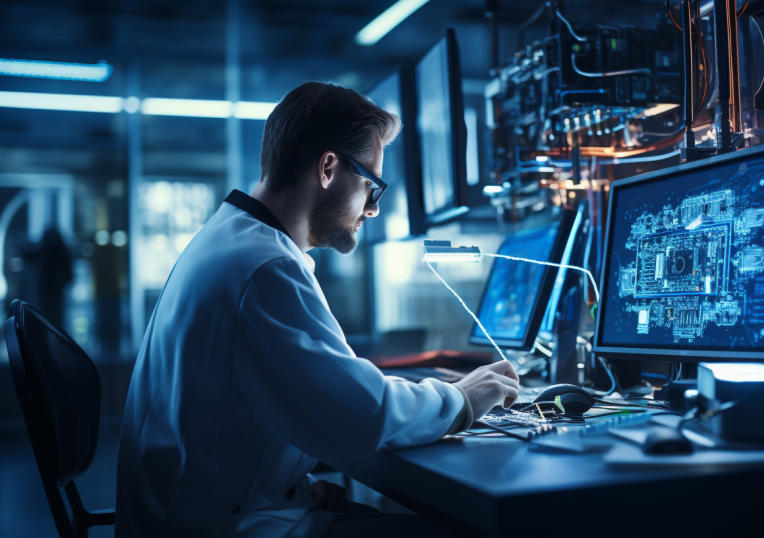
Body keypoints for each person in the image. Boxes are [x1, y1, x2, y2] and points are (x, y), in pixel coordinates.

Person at [116, 81, 520, 537]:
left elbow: (237, 412)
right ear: (328, 167)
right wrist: (463, 398)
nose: (372, 210)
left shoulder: (230, 241)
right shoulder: (263, 267)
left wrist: (290, 487)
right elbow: (362, 419)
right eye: (372, 185)